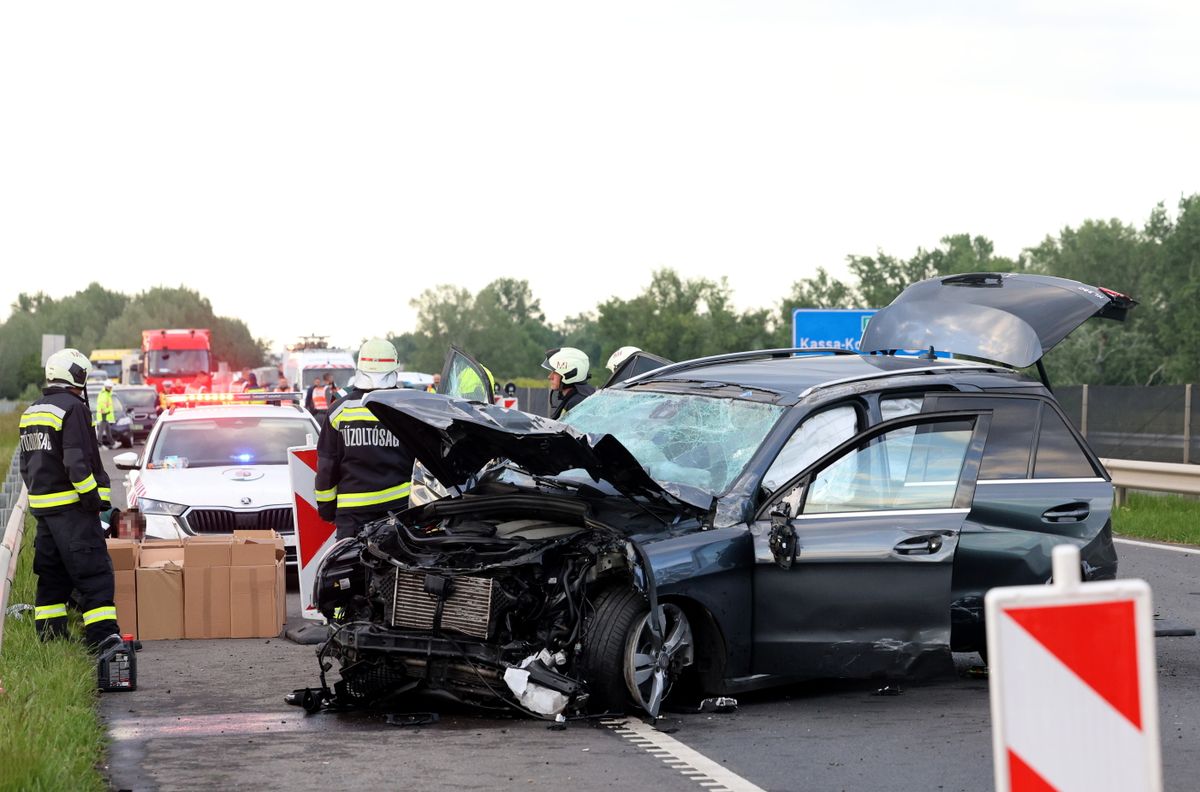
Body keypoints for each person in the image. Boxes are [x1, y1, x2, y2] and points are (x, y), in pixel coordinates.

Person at [19, 348, 121, 648]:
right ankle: (104, 639)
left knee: (52, 578)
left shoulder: (32, 411)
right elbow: (76, 462)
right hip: (73, 512)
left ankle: (51, 641)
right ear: (76, 375)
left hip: (44, 513)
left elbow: (26, 466)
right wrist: (92, 502)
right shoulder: (73, 408)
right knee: (95, 575)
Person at [315, 339, 415, 540]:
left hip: (352, 515)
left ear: (360, 367)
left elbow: (327, 467)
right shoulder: (409, 408)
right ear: (394, 368)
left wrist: (326, 509)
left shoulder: (339, 411)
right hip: (399, 510)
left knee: (350, 560)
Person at [542, 347, 595, 420]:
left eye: (555, 372)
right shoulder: (579, 397)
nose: (550, 377)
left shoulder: (577, 403)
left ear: (570, 374)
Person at [95, 383, 117, 449]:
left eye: (111, 387)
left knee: (108, 431)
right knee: (101, 431)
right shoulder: (104, 394)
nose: (111, 388)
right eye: (110, 387)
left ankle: (112, 443)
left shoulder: (106, 394)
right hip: (104, 415)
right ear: (107, 387)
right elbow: (102, 405)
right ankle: (100, 444)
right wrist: (106, 411)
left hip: (105, 415)